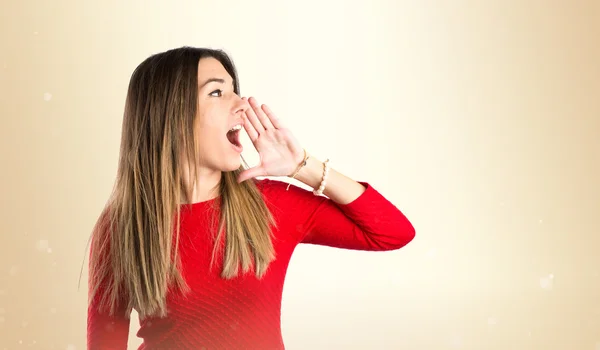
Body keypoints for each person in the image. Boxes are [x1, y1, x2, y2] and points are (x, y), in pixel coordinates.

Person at [86, 46, 416, 350]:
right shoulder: (123, 226)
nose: (242, 103)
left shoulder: (270, 205)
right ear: (170, 116)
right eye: (217, 92)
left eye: (234, 90)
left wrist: (303, 166)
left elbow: (392, 233)